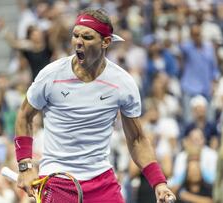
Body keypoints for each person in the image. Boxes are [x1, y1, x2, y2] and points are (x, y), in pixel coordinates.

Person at [13, 8, 176, 203]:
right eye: (75, 36)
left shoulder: (122, 83)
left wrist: (159, 182)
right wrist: (25, 165)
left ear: (106, 42)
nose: (78, 42)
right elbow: (24, 115)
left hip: (102, 182)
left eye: (87, 37)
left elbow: (137, 140)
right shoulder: (51, 75)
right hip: (57, 182)